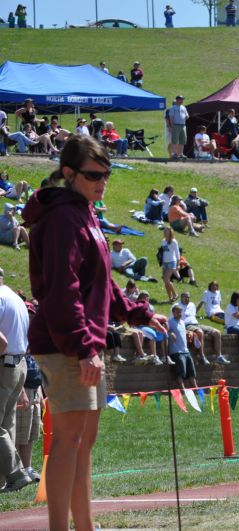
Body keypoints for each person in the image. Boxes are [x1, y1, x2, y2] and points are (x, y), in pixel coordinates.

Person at [23, 135, 167, 528]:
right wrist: (84, 348)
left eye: (106, 174)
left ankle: (84, 526)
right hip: (66, 343)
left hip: (82, 340)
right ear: (68, 174)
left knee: (83, 443)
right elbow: (62, 288)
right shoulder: (63, 218)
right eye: (93, 175)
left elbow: (100, 282)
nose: (102, 181)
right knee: (68, 442)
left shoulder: (83, 211)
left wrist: (140, 314)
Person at [0, 268, 32, 493]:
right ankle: (5, 480)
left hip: (4, 364)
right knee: (6, 424)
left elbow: (0, 340)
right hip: (20, 364)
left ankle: (16, 473)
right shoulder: (14, 298)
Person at [178, 292, 229, 365]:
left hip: (196, 324)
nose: (187, 299)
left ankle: (219, 357)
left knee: (217, 332)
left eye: (188, 297)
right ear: (181, 297)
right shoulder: (177, 306)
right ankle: (201, 356)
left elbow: (194, 315)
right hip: (187, 325)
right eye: (185, 297)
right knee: (200, 332)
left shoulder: (192, 305)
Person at [15, 352, 43, 484]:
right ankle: (16, 471)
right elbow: (14, 367)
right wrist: (21, 392)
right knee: (18, 434)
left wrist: (40, 393)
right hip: (23, 392)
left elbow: (36, 368)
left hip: (34, 391)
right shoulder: (17, 343)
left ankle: (27, 468)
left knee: (30, 435)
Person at [168, 304, 198, 390]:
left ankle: (196, 388)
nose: (180, 314)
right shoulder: (169, 322)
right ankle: (182, 389)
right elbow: (164, 331)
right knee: (180, 372)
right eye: (178, 312)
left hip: (186, 350)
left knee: (191, 371)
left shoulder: (182, 322)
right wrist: (170, 333)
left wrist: (188, 333)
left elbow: (182, 331)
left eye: (181, 312)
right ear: (173, 313)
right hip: (176, 351)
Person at [160, 226, 181, 303]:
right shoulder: (163, 241)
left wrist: (178, 264)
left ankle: (175, 294)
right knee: (166, 281)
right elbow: (163, 252)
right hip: (164, 263)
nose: (165, 232)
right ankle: (170, 298)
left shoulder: (174, 241)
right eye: (164, 231)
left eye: (167, 231)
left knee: (166, 279)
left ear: (170, 232)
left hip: (172, 262)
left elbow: (177, 253)